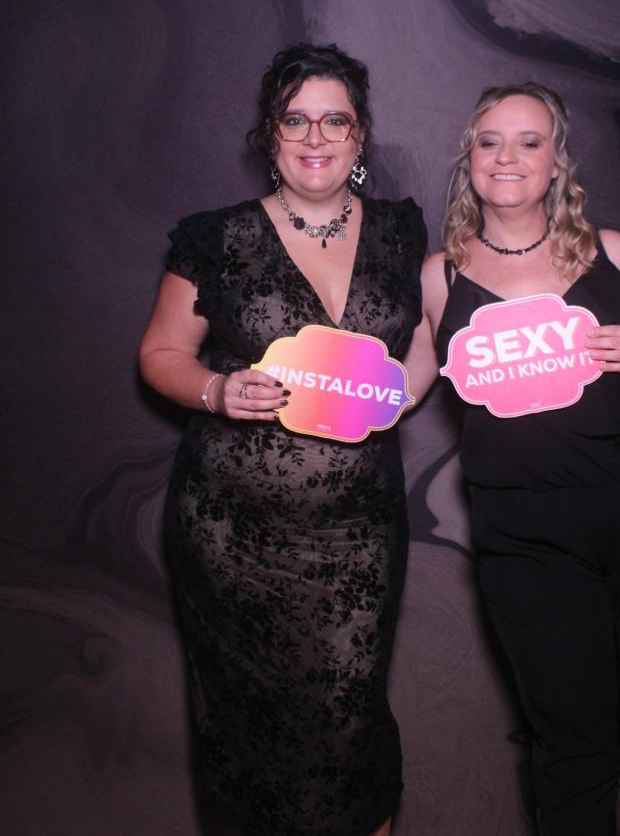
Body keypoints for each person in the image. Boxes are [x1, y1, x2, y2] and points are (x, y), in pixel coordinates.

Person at [139, 43, 426, 836]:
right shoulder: (219, 237)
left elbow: (429, 337)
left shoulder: (400, 232)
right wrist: (216, 390)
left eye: (334, 120)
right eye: (295, 119)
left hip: (358, 533)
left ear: (359, 134)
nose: (314, 137)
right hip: (232, 532)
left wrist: (401, 394)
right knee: (246, 729)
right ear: (270, 133)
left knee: (348, 719)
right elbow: (160, 353)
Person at [406, 82, 620, 835]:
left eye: (529, 141)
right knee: (575, 741)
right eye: (489, 141)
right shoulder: (439, 276)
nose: (507, 157)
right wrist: (298, 387)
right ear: (470, 160)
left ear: (557, 162)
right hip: (526, 535)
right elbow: (397, 389)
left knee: (600, 735)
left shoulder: (613, 253)